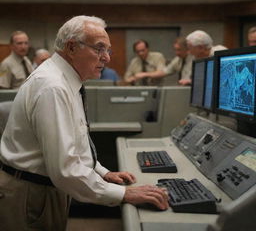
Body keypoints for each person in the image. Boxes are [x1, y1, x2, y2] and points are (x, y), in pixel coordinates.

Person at [0, 15, 168, 230]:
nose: (106, 58)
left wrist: (101, 172)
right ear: (71, 48)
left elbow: (75, 142)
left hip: (45, 186)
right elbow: (65, 170)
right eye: (99, 49)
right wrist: (124, 193)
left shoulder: (67, 80)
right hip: (30, 193)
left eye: (108, 50)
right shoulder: (53, 87)